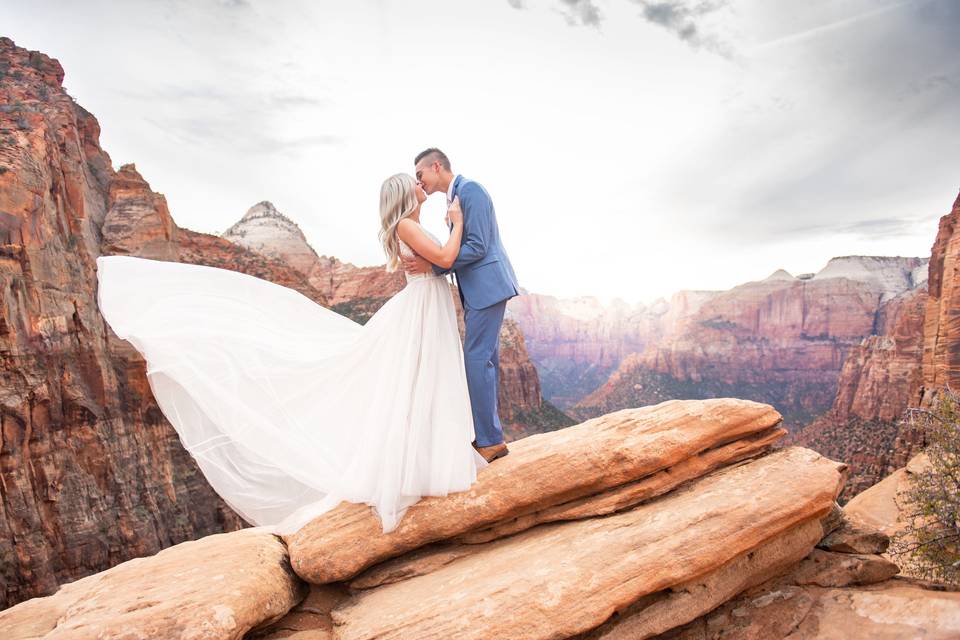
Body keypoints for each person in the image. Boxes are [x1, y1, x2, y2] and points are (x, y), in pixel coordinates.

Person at [95, 173, 485, 535]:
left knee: (420, 383)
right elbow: (447, 259)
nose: (420, 184)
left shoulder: (410, 225)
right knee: (412, 383)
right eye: (413, 181)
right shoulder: (407, 225)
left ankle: (423, 465)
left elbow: (440, 261)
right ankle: (410, 470)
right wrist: (458, 224)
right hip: (420, 310)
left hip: (423, 306)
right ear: (403, 194)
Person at [404, 148, 520, 462]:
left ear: (436, 166)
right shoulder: (456, 196)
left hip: (488, 286)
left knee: (476, 359)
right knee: (486, 360)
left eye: (420, 175)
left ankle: (488, 440)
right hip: (480, 289)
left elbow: (479, 246)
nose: (420, 182)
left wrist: (436, 267)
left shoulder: (471, 191)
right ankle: (490, 435)